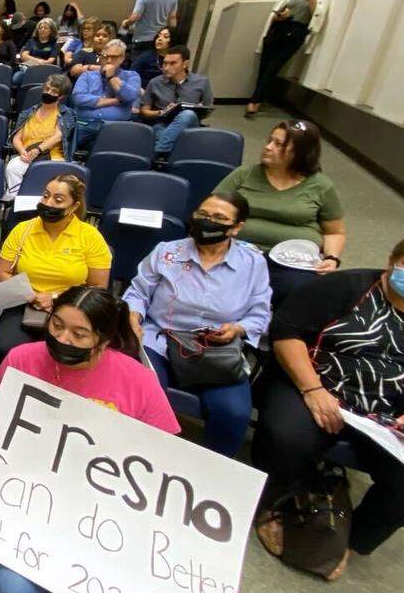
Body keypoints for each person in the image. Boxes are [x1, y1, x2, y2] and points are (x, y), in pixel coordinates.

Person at [0, 286, 178, 593]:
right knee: (14, 592)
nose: (61, 338)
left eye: (79, 334)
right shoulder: (21, 358)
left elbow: (168, 466)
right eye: (56, 325)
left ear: (103, 339)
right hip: (28, 503)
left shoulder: (138, 381)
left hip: (101, 520)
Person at [252, 228, 404, 576]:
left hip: (388, 412)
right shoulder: (346, 287)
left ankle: (347, 537)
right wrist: (313, 391)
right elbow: (287, 332)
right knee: (288, 438)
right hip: (313, 384)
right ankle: (274, 504)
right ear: (393, 259)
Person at [123, 192, 271, 456]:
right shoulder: (167, 252)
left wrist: (237, 329)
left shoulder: (252, 263)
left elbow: (260, 314)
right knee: (143, 389)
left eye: (219, 218)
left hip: (214, 349)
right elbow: (137, 292)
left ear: (236, 228)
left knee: (233, 412)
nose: (208, 222)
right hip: (160, 341)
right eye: (203, 215)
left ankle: (211, 474)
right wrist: (132, 316)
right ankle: (135, 456)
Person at [215, 120, 344, 304]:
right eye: (269, 140)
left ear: (301, 152)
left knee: (304, 293)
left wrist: (332, 258)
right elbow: (212, 209)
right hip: (239, 251)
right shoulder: (244, 174)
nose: (267, 147)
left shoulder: (321, 186)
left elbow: (335, 231)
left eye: (279, 144)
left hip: (294, 261)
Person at [0, 174, 111, 363]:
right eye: (46, 195)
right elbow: (3, 272)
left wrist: (55, 297)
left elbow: (98, 287)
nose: (48, 203)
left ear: (74, 206)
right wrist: (31, 295)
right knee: (4, 345)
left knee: (64, 350)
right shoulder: (23, 229)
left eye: (58, 199)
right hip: (25, 300)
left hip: (72, 306)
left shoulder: (91, 237)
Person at [247, 0, 330, 118]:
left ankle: (255, 101)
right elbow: (277, 10)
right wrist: (281, 16)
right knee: (264, 66)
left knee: (274, 66)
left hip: (296, 32)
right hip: (279, 28)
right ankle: (258, 98)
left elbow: (317, 17)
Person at [2, 74, 76, 200]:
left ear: (61, 96)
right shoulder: (28, 112)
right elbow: (16, 137)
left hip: (53, 157)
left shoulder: (66, 113)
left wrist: (37, 150)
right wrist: (22, 152)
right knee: (12, 167)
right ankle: (15, 203)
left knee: (42, 173)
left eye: (54, 91)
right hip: (27, 155)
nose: (48, 93)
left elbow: (58, 136)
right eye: (47, 89)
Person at [139, 45, 213, 158]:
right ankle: (167, 160)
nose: (167, 67)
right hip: (163, 122)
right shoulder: (155, 83)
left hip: (190, 122)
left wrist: (198, 108)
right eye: (165, 63)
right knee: (165, 134)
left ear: (185, 64)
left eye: (173, 63)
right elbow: (144, 111)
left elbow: (208, 109)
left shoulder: (202, 82)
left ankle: (153, 155)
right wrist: (161, 112)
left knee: (187, 114)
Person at [71, 39, 141, 150]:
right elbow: (78, 98)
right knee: (64, 142)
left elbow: (130, 96)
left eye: (114, 57)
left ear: (122, 58)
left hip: (116, 126)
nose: (108, 60)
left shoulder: (132, 76)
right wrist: (116, 100)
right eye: (105, 56)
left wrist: (111, 77)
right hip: (84, 124)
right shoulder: (87, 75)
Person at [17, 18, 64, 84]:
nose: (42, 30)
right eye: (40, 28)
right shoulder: (31, 41)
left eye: (45, 28)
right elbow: (24, 55)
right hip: (30, 67)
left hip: (46, 69)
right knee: (16, 78)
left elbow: (50, 61)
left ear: (51, 31)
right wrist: (38, 61)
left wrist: (39, 62)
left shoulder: (54, 44)